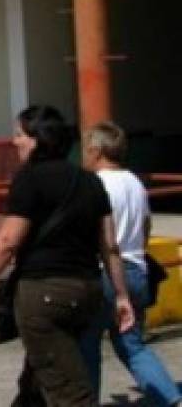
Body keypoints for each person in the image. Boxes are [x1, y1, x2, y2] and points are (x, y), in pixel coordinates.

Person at [0, 105, 134, 406]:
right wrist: (121, 296)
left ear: (37, 140)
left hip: (44, 294)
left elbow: (7, 241)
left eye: (19, 135)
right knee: (37, 385)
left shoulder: (29, 179)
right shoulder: (90, 181)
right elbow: (110, 246)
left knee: (71, 394)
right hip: (87, 292)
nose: (14, 141)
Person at [80, 122, 182, 407]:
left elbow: (95, 234)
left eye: (86, 148)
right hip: (137, 269)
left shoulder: (95, 185)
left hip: (105, 271)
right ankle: (170, 398)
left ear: (96, 150)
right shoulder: (135, 183)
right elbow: (146, 225)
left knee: (87, 344)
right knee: (133, 345)